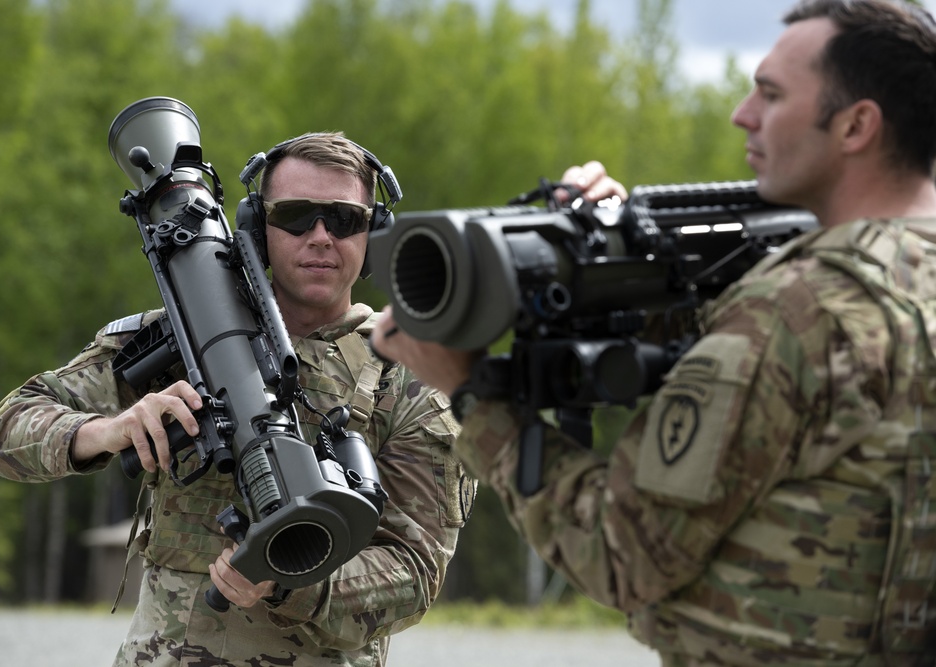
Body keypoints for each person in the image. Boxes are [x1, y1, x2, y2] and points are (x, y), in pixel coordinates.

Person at [371, 0, 936, 664]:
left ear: (856, 124)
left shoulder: (799, 312)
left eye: (772, 93)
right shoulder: (897, 278)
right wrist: (613, 252)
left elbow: (619, 552)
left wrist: (471, 394)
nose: (742, 113)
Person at [0, 132, 476, 666]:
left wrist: (288, 581)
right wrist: (108, 431)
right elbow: (6, 433)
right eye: (296, 215)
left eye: (345, 219)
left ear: (374, 234)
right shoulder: (183, 340)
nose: (321, 236)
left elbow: (414, 571)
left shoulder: (412, 378)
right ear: (259, 229)